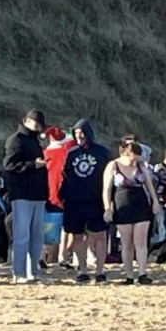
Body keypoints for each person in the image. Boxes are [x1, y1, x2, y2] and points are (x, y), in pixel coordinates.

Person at [60, 119, 112, 284]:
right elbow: (65, 175)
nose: (79, 136)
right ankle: (82, 270)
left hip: (96, 200)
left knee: (100, 236)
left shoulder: (102, 152)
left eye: (81, 132)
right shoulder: (72, 153)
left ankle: (100, 271)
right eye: (76, 133)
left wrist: (108, 202)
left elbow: (109, 177)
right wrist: (63, 195)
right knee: (77, 236)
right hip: (75, 201)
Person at [102, 139, 160, 284]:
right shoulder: (113, 166)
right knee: (126, 242)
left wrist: (155, 202)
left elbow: (149, 185)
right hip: (122, 205)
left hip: (140, 204)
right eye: (132, 159)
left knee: (141, 241)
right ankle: (129, 275)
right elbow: (106, 189)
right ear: (125, 154)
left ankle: (142, 273)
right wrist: (107, 208)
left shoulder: (140, 165)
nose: (134, 162)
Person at [3, 109, 48, 284]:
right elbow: (8, 164)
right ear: (26, 121)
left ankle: (33, 271)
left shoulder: (35, 141)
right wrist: (32, 165)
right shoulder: (16, 139)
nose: (37, 127)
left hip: (38, 193)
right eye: (35, 123)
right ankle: (19, 272)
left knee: (37, 235)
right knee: (22, 234)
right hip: (21, 193)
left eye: (39, 125)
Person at [42, 126, 74, 269]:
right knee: (67, 228)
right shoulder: (67, 152)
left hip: (48, 192)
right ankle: (63, 255)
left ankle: (42, 255)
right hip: (66, 192)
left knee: (47, 227)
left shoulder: (45, 153)